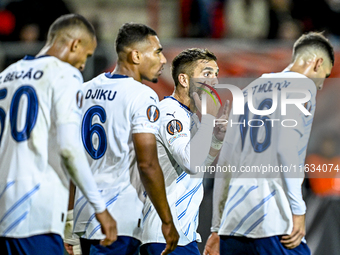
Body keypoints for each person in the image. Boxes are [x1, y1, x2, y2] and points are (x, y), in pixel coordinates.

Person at [204, 31, 334, 255]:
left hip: (233, 225)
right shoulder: (303, 88)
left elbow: (224, 161)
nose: (321, 84)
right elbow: (286, 148)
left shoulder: (248, 91)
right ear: (317, 62)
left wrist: (216, 228)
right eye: (325, 74)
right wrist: (298, 210)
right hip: (272, 222)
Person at [0, 14, 117, 255]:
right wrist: (100, 208)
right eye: (85, 55)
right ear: (75, 44)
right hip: (35, 213)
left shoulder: (6, 75)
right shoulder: (64, 73)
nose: (84, 65)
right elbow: (68, 148)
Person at [72, 23, 179, 255]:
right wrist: (167, 220)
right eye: (157, 52)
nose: (163, 61)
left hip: (84, 215)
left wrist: (69, 216)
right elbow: (147, 164)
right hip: (118, 218)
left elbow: (69, 156)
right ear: (136, 55)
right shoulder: (142, 95)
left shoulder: (83, 91)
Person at [140, 48, 229, 255]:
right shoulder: (169, 113)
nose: (214, 81)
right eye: (207, 74)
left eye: (216, 74)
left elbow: (198, 168)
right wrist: (208, 121)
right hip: (164, 237)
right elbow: (190, 161)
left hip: (183, 236)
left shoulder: (192, 117)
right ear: (184, 80)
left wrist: (216, 139)